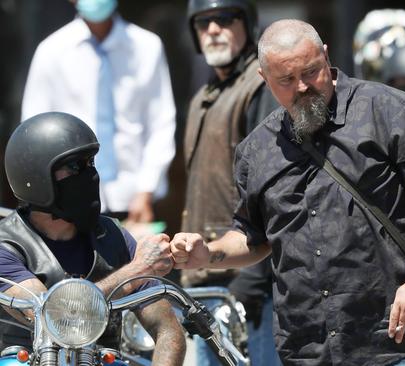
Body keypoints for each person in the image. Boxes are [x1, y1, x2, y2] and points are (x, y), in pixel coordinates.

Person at [171, 19, 405, 365]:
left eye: (311, 72)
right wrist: (210, 253)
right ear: (264, 79)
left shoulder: (389, 112)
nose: (302, 87)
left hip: (398, 344)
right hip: (307, 350)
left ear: (326, 56)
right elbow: (254, 237)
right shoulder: (256, 151)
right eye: (286, 80)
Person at [0, 112, 185, 365]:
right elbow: (55, 317)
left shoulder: (113, 236)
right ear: (35, 176)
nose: (89, 175)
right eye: (76, 166)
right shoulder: (7, 245)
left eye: (91, 164)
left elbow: (168, 331)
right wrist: (137, 270)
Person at [182, 0, 280, 365]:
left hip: (250, 285)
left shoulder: (260, 86)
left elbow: (273, 190)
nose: (212, 30)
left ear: (248, 24)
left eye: (224, 19)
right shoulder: (206, 96)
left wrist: (249, 283)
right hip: (209, 278)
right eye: (203, 23)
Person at [21, 0, 176, 223]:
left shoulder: (147, 46)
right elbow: (33, 131)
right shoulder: (51, 51)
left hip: (135, 199)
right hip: (70, 196)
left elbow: (161, 123)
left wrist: (146, 190)